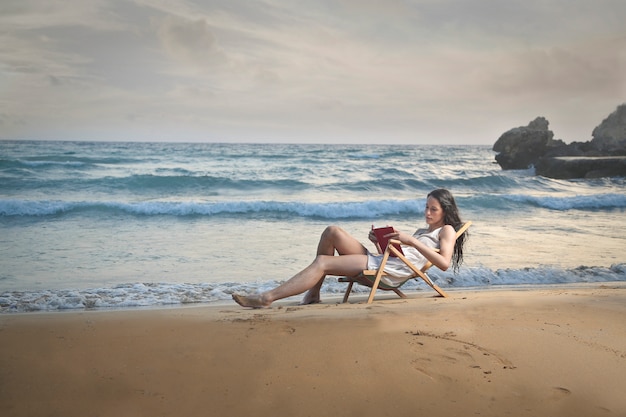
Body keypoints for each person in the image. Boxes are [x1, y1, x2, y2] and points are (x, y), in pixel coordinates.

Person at [232, 189, 467, 308]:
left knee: (322, 263)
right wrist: (379, 242)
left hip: (386, 272)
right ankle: (313, 293)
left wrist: (411, 241)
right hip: (382, 261)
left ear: (445, 211)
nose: (427, 213)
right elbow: (397, 255)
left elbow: (444, 264)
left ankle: (266, 297)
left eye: (433, 209)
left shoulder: (445, 231)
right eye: (426, 207)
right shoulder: (421, 231)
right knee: (332, 231)